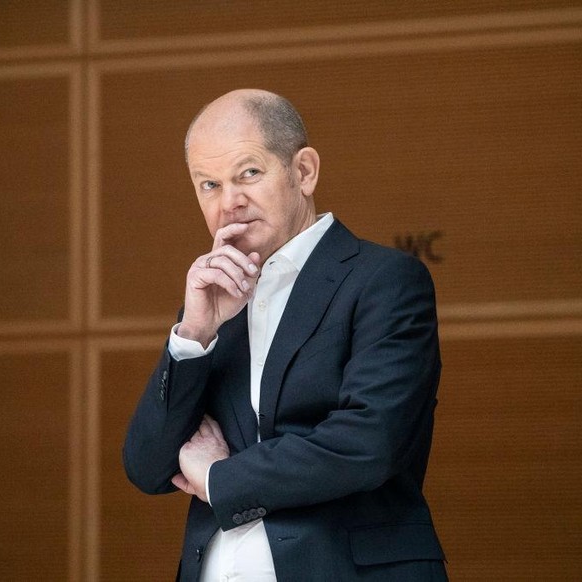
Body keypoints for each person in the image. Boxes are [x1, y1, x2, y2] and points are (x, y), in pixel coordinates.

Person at [123, 89, 447, 581]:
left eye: (248, 173)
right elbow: (148, 466)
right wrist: (192, 335)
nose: (229, 201)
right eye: (209, 184)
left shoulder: (385, 280)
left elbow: (365, 442)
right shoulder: (212, 302)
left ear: (303, 172)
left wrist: (217, 478)